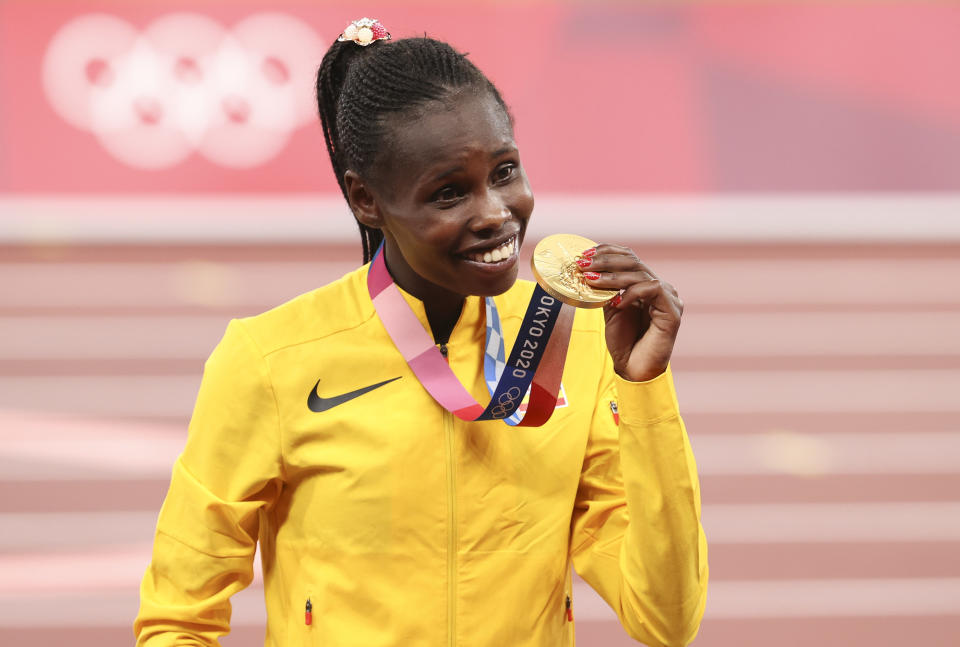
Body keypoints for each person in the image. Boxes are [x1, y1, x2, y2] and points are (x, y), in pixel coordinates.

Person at [135, 18, 707, 647]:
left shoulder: (576, 346)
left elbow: (666, 621)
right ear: (366, 200)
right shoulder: (272, 360)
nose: (495, 214)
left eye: (505, 172)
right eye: (447, 193)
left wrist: (645, 387)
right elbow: (177, 621)